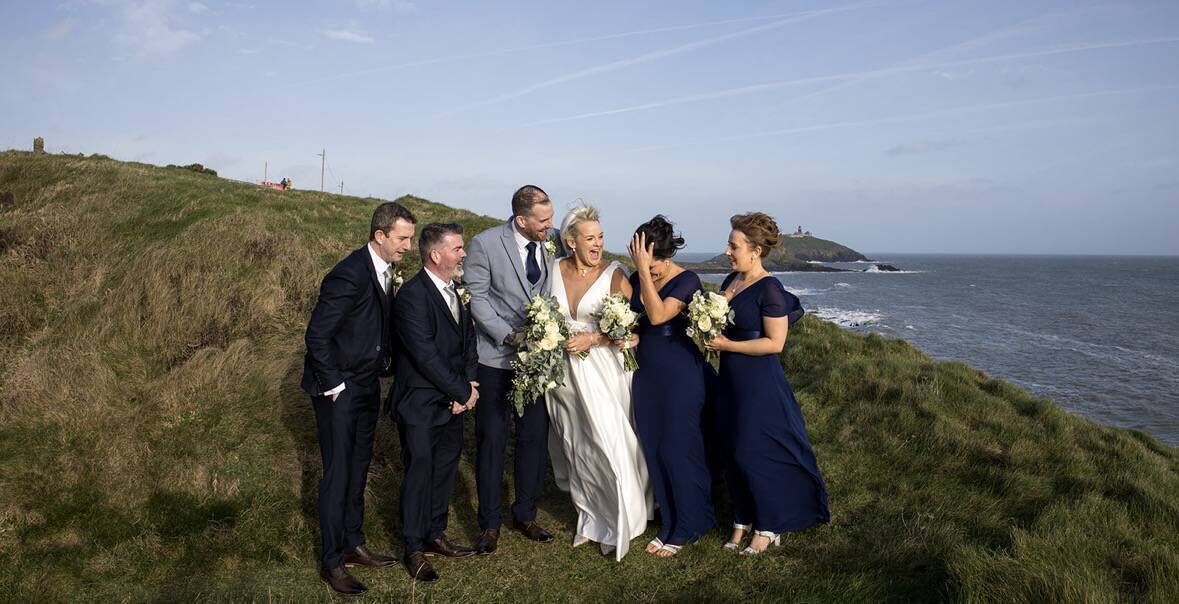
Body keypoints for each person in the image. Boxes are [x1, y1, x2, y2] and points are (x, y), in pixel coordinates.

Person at [300, 202, 415, 595]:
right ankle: (332, 562)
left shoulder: (384, 271)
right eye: (403, 239)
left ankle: (353, 543)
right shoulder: (348, 274)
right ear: (379, 235)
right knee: (338, 474)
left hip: (366, 384)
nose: (408, 247)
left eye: (411, 239)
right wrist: (336, 385)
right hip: (339, 390)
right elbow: (317, 335)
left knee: (358, 467)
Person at [705, 212, 829, 556]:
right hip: (730, 378)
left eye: (734, 245)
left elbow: (775, 343)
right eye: (729, 244)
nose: (728, 251)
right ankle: (742, 518)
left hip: (758, 380)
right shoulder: (731, 280)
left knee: (753, 450)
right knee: (732, 448)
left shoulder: (770, 289)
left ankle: (769, 523)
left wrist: (726, 345)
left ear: (755, 250)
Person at [546, 204, 651, 560]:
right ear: (571, 242)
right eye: (590, 238)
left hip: (604, 370)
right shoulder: (553, 271)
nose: (598, 244)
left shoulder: (615, 274)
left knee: (610, 442)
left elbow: (633, 329)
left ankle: (622, 519)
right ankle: (591, 516)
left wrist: (594, 339)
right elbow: (545, 314)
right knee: (576, 445)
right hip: (563, 374)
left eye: (601, 236)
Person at [464, 185, 557, 554]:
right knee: (492, 440)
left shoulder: (549, 246)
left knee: (533, 438)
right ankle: (489, 524)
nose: (550, 226)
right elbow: (478, 298)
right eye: (543, 220)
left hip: (537, 360)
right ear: (521, 219)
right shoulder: (485, 244)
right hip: (495, 359)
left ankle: (526, 514)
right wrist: (508, 336)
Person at [388, 223, 480, 582]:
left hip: (454, 401)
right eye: (458, 248)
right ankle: (413, 547)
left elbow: (468, 341)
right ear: (436, 255)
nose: (463, 254)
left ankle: (435, 533)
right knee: (419, 473)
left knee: (445, 469)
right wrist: (461, 391)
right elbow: (424, 355)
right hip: (421, 404)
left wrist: (468, 386)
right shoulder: (412, 296)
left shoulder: (456, 291)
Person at [626, 216, 716, 558]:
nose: (656, 270)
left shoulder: (688, 279)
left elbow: (660, 314)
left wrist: (645, 272)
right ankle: (668, 519)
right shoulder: (637, 277)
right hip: (646, 371)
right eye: (650, 263)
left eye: (659, 263)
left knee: (680, 445)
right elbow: (635, 318)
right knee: (654, 446)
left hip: (680, 369)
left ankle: (692, 522)